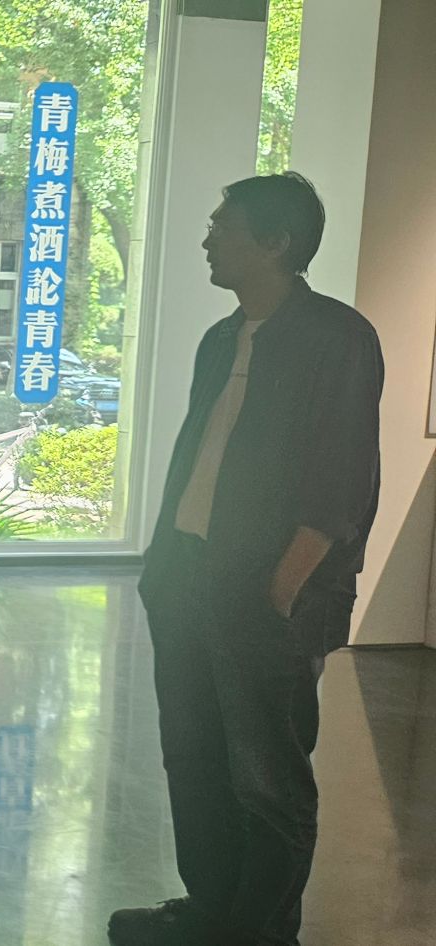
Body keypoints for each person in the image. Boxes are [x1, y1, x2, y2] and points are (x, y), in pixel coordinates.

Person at [113, 174, 382, 946]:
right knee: (193, 759)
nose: (207, 241)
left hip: (270, 597)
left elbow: (340, 485)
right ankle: (210, 912)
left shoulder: (338, 338)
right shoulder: (222, 338)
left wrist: (282, 590)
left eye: (222, 229)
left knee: (268, 780)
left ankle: (260, 933)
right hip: (187, 581)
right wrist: (164, 571)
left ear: (276, 243)